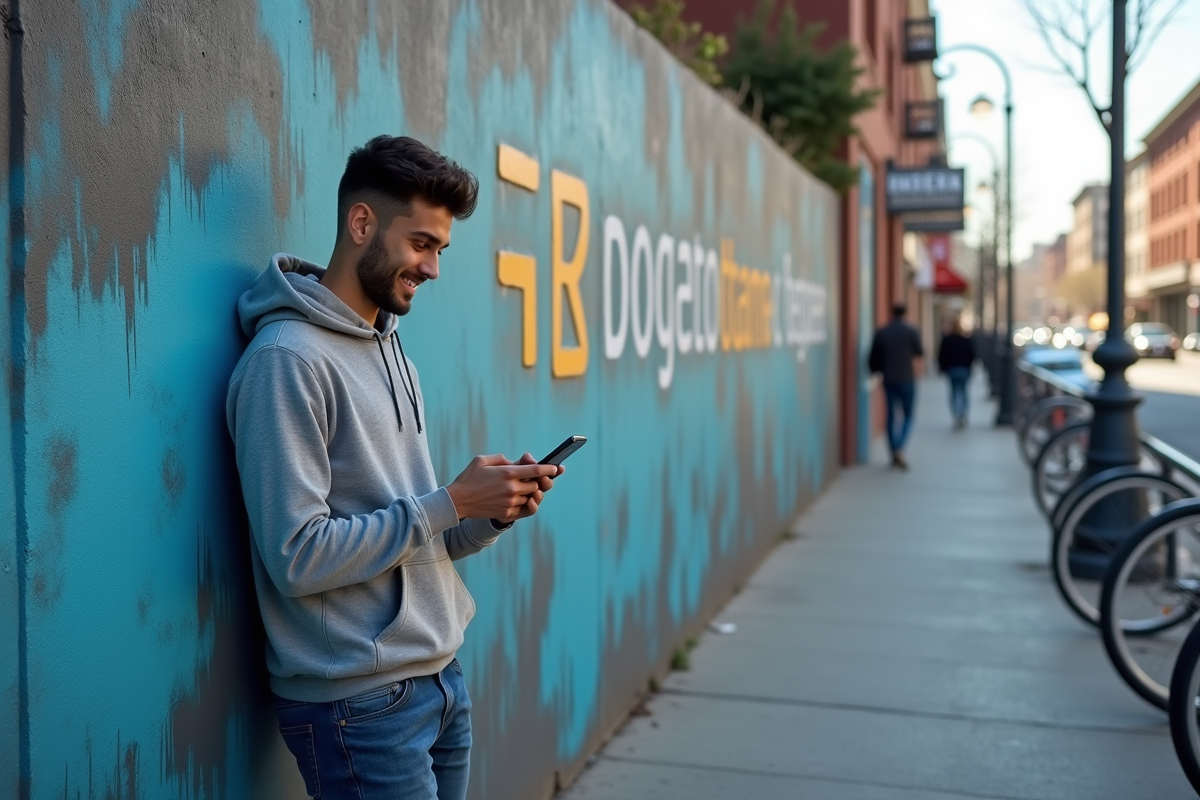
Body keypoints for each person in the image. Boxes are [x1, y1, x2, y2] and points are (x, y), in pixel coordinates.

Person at [226, 135, 563, 800]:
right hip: (359, 704)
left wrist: (487, 513)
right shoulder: (286, 362)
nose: (433, 267)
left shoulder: (393, 353)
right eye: (422, 244)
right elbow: (296, 558)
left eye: (440, 248)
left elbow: (412, 538)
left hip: (439, 679)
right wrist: (451, 502)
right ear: (362, 224)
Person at [868, 303, 924, 469]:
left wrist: (876, 371)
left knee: (891, 416)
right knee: (908, 415)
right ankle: (899, 447)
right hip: (907, 378)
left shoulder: (883, 332)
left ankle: (894, 450)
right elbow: (919, 352)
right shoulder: (911, 331)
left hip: (889, 378)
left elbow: (873, 357)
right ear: (905, 313)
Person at [937, 319, 976, 430]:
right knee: (964, 392)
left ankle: (956, 416)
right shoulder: (966, 340)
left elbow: (941, 355)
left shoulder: (947, 340)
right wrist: (969, 366)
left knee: (953, 393)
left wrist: (942, 368)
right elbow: (972, 355)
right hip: (964, 369)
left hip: (952, 370)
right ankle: (963, 413)